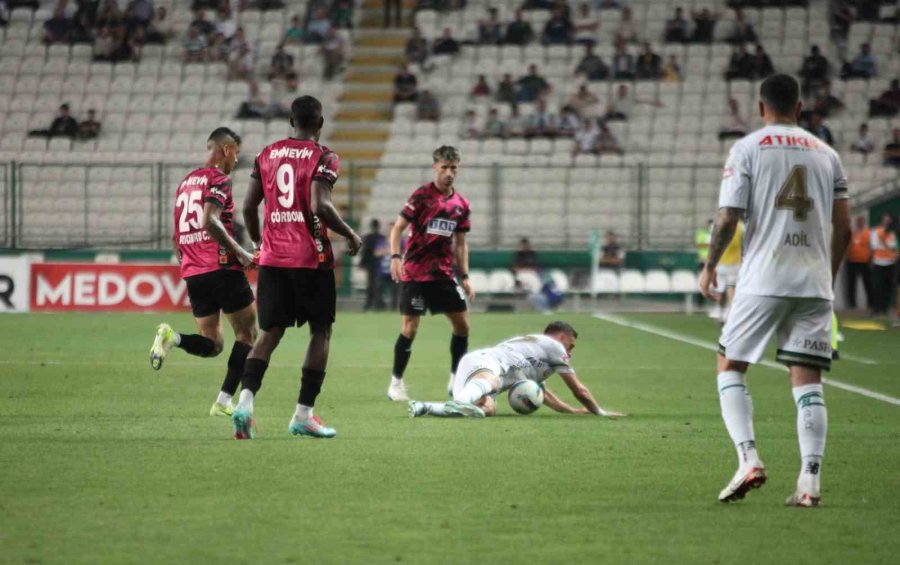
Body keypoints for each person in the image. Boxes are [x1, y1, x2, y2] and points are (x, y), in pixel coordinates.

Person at [699, 74, 852, 508]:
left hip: (763, 278)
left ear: (760, 107)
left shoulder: (747, 148)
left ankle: (748, 459)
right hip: (813, 283)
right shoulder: (828, 154)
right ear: (800, 107)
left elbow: (728, 216)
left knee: (730, 366)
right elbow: (845, 230)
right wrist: (826, 277)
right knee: (808, 381)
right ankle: (809, 483)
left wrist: (710, 267)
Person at [231, 96, 362, 440]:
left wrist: (259, 244)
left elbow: (248, 207)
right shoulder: (325, 157)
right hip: (311, 260)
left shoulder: (267, 154)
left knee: (269, 333)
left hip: (273, 260)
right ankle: (303, 415)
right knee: (320, 331)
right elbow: (320, 204)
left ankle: (244, 404)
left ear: (291, 121)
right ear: (320, 123)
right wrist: (350, 233)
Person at [149, 128, 258, 418]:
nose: (236, 160)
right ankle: (223, 402)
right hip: (221, 267)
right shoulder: (218, 179)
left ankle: (173, 338)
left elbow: (175, 237)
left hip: (194, 273)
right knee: (247, 333)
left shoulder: (186, 183)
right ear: (226, 149)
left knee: (213, 345)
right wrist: (241, 253)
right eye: (236, 152)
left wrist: (189, 269)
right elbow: (209, 220)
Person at [387, 146, 474, 402]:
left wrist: (465, 276)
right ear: (435, 167)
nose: (449, 173)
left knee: (462, 326)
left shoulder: (461, 205)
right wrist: (395, 257)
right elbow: (397, 229)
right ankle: (396, 383)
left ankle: (456, 380)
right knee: (410, 328)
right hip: (415, 273)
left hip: (443, 275)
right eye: (444, 167)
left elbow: (461, 244)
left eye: (453, 168)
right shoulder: (421, 196)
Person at [407, 321, 625, 418]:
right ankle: (462, 401)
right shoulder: (555, 347)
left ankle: (425, 407)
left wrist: (572, 411)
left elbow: (543, 394)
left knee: (487, 409)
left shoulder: (535, 355)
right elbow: (579, 390)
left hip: (476, 372)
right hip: (484, 363)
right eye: (571, 345)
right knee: (492, 382)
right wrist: (599, 412)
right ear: (560, 338)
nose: (571, 351)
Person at [713, 220, 743, 324]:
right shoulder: (740, 226)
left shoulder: (719, 224)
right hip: (734, 264)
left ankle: (719, 311)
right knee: (730, 288)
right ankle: (728, 312)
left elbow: (714, 245)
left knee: (720, 289)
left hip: (721, 263)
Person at [869, 213, 898, 316]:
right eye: (885, 220)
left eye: (888, 220)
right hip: (878, 261)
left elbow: (894, 246)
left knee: (888, 287)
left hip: (890, 262)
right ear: (882, 220)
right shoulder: (876, 231)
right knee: (877, 286)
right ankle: (876, 309)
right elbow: (874, 246)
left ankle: (885, 309)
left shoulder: (893, 232)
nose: (887, 222)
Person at [359, 219, 388, 311]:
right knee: (379, 285)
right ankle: (379, 303)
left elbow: (365, 252)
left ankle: (369, 304)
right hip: (381, 264)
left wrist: (362, 263)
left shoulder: (367, 237)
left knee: (370, 284)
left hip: (371, 265)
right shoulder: (382, 237)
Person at [845, 216, 872, 311]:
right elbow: (846, 245)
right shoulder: (852, 232)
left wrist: (871, 259)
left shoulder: (868, 232)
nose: (860, 223)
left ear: (864, 222)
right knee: (851, 284)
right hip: (852, 261)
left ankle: (870, 303)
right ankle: (852, 304)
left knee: (868, 283)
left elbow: (871, 246)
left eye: (861, 221)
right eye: (858, 221)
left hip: (865, 261)